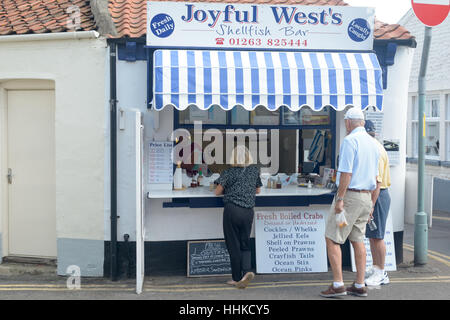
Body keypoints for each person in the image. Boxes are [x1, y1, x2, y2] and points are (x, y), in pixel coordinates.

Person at [320, 108, 380, 298]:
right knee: (357, 239)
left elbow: (346, 173)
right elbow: (376, 178)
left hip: (351, 196)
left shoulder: (350, 141)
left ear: (347, 123)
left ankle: (338, 284)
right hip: (366, 197)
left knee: (332, 237)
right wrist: (371, 202)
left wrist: (340, 199)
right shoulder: (373, 143)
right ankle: (360, 284)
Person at [214, 145, 262, 289]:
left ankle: (236, 278)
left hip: (232, 211)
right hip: (248, 212)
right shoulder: (254, 171)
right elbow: (258, 190)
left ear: (233, 158)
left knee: (233, 245)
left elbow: (217, 192)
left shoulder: (228, 172)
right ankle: (246, 272)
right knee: (244, 243)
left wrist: (229, 190)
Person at [364, 120, 392, 286]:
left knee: (377, 236)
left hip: (378, 196)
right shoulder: (375, 147)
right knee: (373, 236)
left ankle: (381, 272)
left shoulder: (375, 150)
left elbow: (377, 182)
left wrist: (371, 205)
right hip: (377, 195)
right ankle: (377, 269)